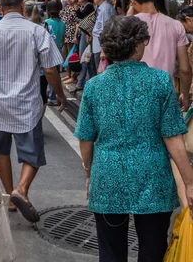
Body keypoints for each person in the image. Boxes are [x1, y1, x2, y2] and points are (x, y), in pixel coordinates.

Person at [75, 15, 193, 262]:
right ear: (140, 44)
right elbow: (172, 137)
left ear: (107, 48)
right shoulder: (160, 81)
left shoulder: (94, 86)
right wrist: (189, 181)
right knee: (152, 251)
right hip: (153, 179)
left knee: (111, 252)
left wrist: (89, 172)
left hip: (108, 178)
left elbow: (86, 140)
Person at [0, 0, 66, 223]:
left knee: (1, 151)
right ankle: (21, 189)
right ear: (22, 5)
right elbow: (50, 69)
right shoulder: (37, 32)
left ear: (1, 7)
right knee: (32, 153)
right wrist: (60, 95)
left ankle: (9, 194)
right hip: (27, 106)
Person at [126, 0, 191, 109]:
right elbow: (185, 69)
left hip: (138, 94)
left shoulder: (130, 24)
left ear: (132, 1)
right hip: (167, 94)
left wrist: (128, 16)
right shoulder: (176, 25)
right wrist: (186, 95)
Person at [74, 0, 96, 92]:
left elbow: (81, 16)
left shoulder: (89, 6)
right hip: (82, 33)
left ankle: (80, 82)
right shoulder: (82, 6)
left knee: (84, 57)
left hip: (87, 34)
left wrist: (77, 9)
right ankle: (92, 80)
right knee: (88, 58)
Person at [45, 1, 66, 106]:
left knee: (49, 74)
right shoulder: (62, 23)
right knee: (56, 74)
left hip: (48, 51)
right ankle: (54, 95)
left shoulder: (47, 22)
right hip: (59, 50)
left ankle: (52, 97)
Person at [91, 0, 116, 71]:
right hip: (97, 43)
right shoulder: (101, 8)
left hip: (101, 45)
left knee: (102, 69)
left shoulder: (105, 9)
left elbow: (106, 30)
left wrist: (103, 49)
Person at [60, 0, 79, 83]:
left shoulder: (76, 9)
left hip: (72, 35)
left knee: (72, 57)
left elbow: (77, 23)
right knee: (65, 56)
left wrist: (75, 35)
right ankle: (68, 75)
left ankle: (74, 77)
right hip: (65, 35)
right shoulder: (65, 8)